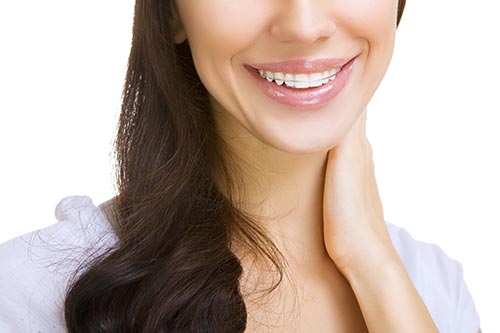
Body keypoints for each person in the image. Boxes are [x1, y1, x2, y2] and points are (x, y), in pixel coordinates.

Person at [0, 0, 481, 332]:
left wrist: (372, 259)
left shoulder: (432, 287)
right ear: (171, 11)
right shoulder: (30, 293)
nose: (304, 23)